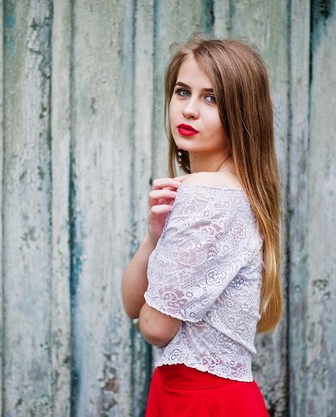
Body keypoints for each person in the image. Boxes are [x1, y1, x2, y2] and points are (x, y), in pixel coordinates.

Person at [121, 35, 282, 416]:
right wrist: (152, 237)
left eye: (211, 98)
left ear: (242, 114)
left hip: (199, 402)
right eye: (182, 92)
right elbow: (133, 305)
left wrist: (151, 306)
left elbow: (155, 326)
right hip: (210, 398)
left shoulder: (205, 194)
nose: (189, 110)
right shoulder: (236, 191)